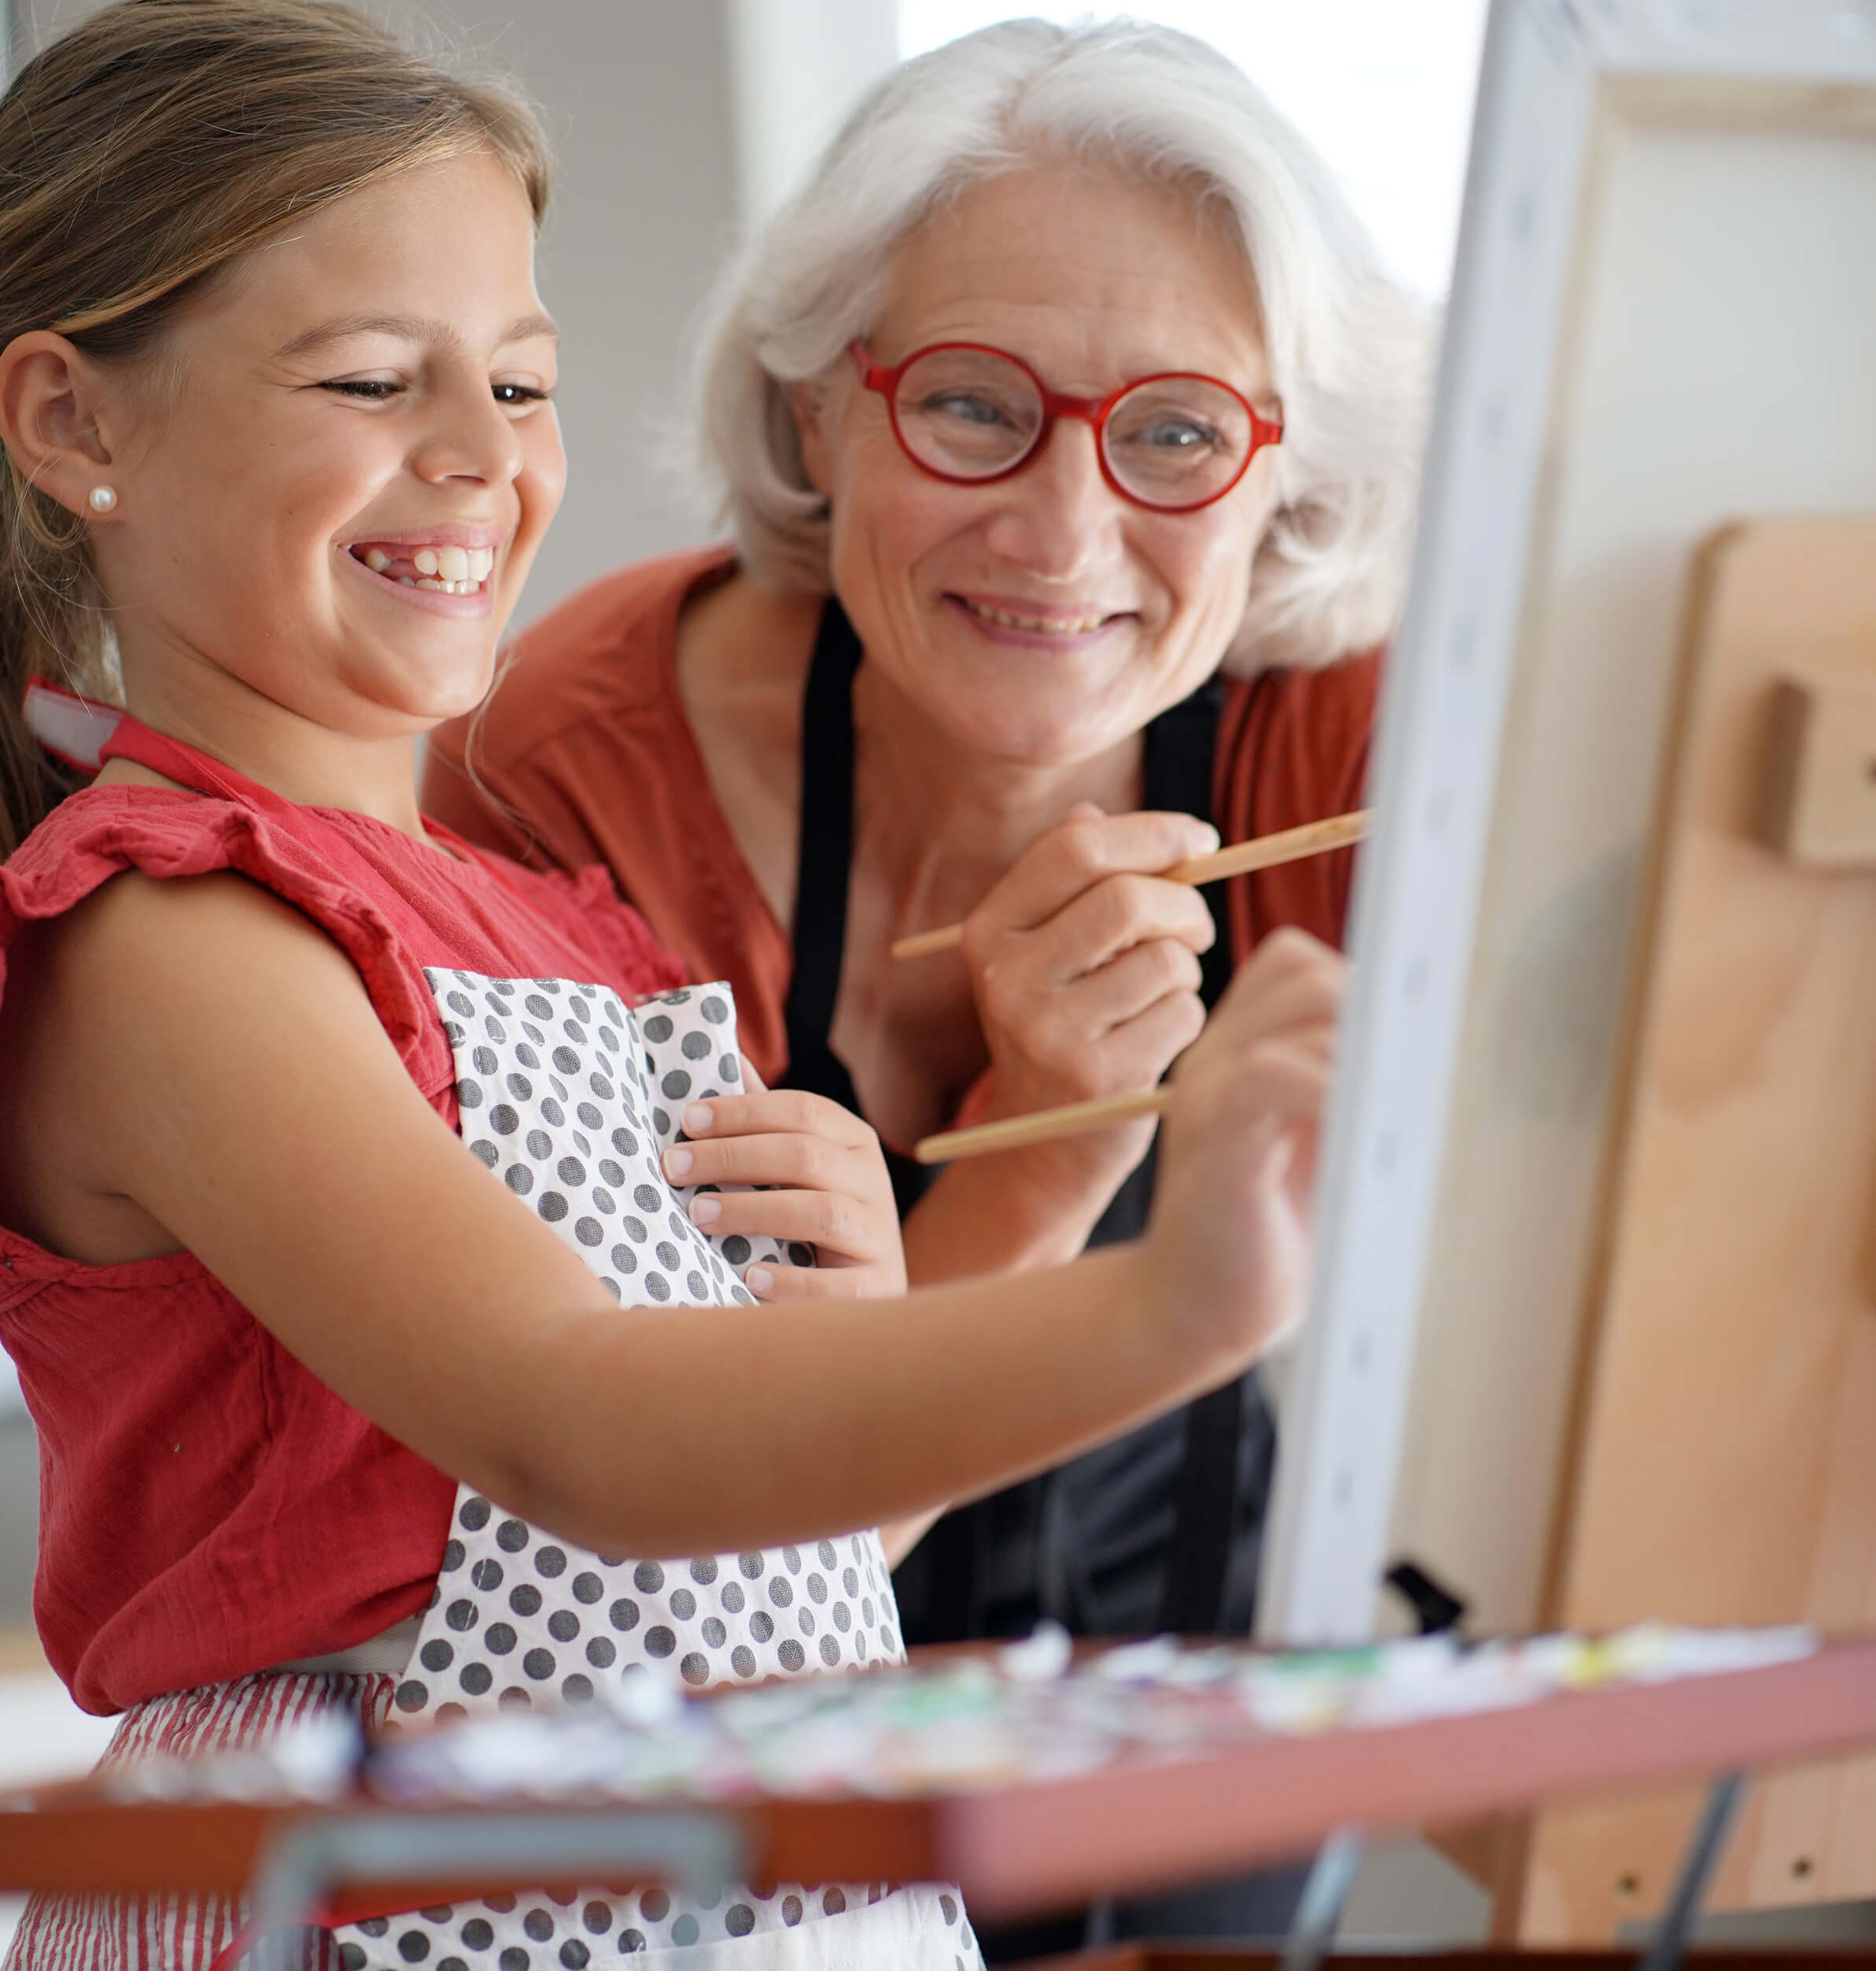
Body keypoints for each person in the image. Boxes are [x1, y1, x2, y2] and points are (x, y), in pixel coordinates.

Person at [0, 4, 1344, 1966]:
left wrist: (928, 1247)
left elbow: (773, 1553)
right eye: (363, 379)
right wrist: (1186, 1300)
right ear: (73, 422)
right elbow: (584, 1432)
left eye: (518, 378)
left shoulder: (563, 929)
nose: (477, 460)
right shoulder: (170, 941)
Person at [423, 20, 1425, 1952]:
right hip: (745, 1776)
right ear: (817, 413)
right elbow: (722, 1560)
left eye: (1175, 429)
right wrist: (1047, 1151)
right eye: (970, 405)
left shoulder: (1345, 730)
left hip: (1208, 1705)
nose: (1063, 532)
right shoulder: (567, 774)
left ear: (1279, 457)